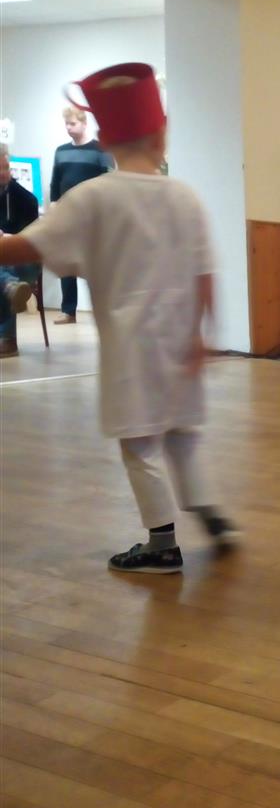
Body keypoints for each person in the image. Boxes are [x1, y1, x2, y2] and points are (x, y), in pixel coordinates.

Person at [0, 62, 238, 573]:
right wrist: (205, 333)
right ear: (161, 135)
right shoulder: (185, 196)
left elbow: (24, 246)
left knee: (141, 444)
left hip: (133, 347)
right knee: (182, 434)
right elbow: (205, 272)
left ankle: (162, 543)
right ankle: (210, 512)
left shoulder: (92, 197)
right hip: (180, 340)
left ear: (105, 138)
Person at [50, 105, 114, 325]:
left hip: (92, 216)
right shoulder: (61, 151)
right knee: (66, 262)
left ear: (84, 124)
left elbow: (109, 180)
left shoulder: (100, 150)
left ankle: (102, 308)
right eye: (66, 124)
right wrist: (54, 204)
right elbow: (55, 181)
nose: (68, 127)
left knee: (95, 264)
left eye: (73, 123)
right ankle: (68, 311)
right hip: (67, 215)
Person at [1, 147, 41, 358]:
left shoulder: (26, 200)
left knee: (5, 266)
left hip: (25, 261)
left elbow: (31, 243)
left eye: (5, 167)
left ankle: (7, 339)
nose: (3, 173)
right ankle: (9, 285)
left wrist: (6, 237)